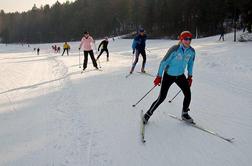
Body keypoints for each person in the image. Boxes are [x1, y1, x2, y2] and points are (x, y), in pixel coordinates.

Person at [143, 31, 196, 124]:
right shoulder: (174, 49)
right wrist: (159, 76)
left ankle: (184, 113)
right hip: (169, 75)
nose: (188, 41)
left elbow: (190, 64)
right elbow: (163, 63)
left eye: (189, 39)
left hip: (180, 76)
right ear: (181, 39)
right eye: (185, 39)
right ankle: (148, 114)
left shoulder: (191, 52)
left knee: (188, 94)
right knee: (162, 98)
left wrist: (190, 76)